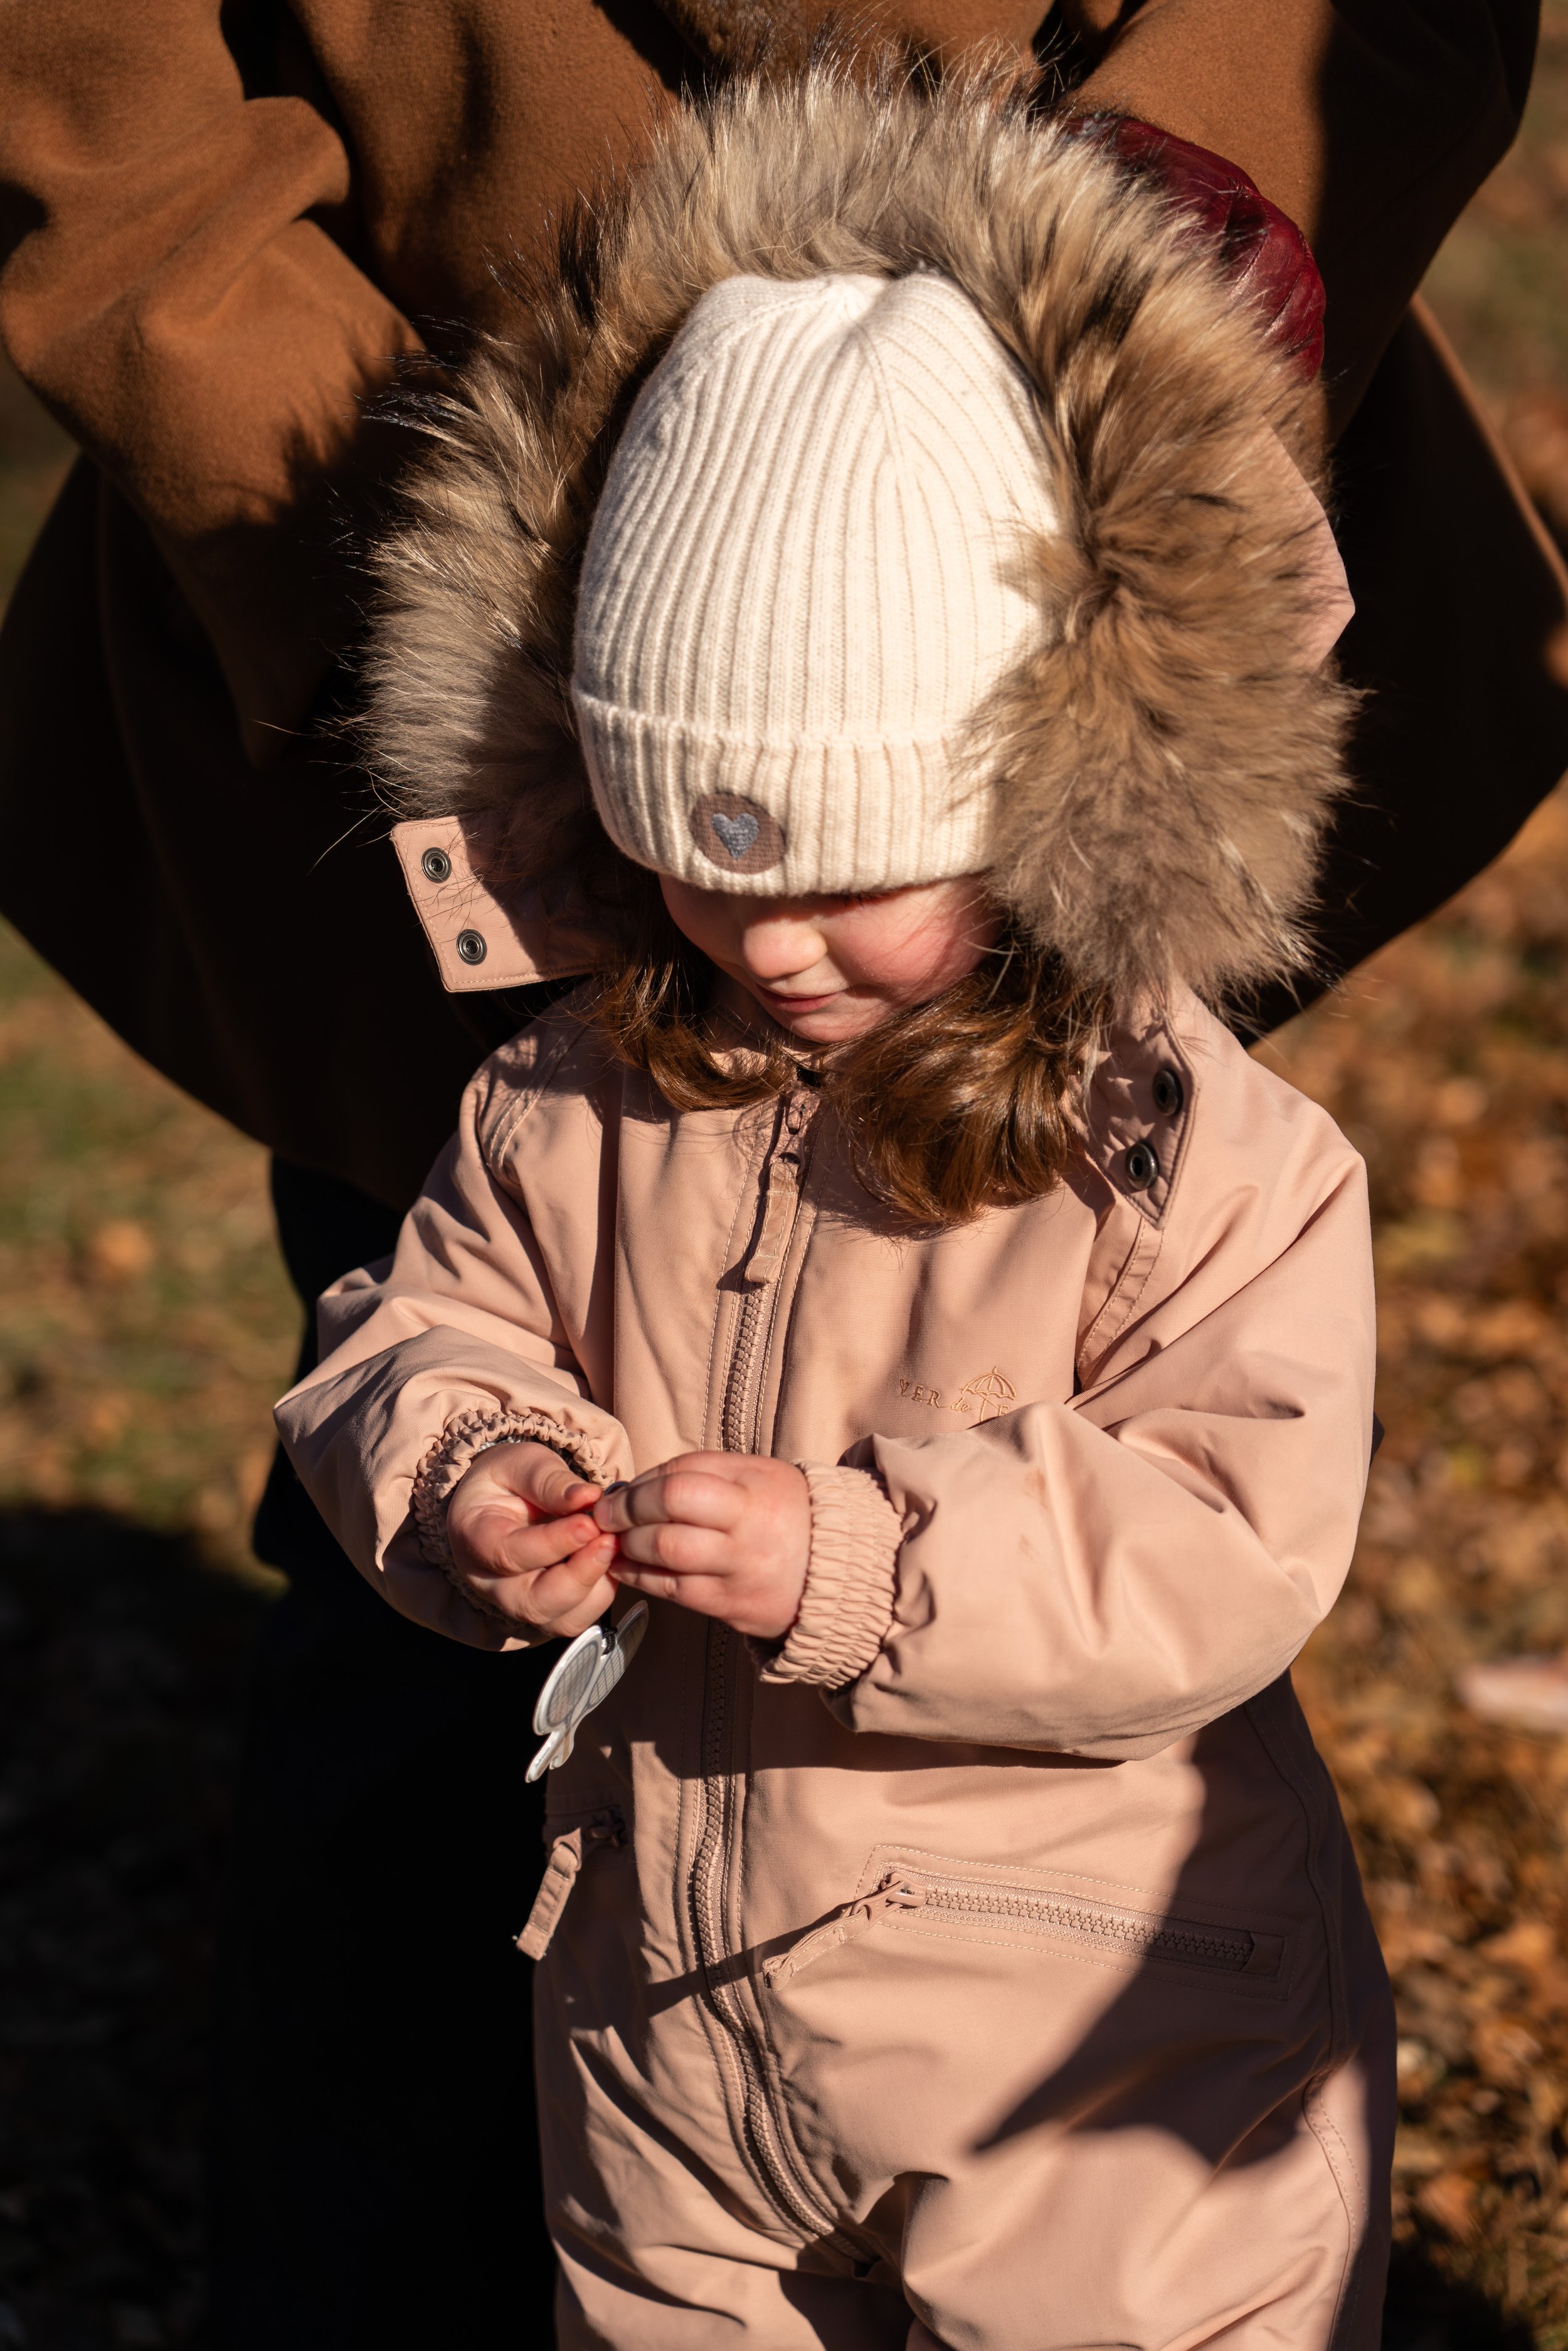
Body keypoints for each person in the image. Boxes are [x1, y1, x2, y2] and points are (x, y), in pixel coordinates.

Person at [0, 4, 1555, 2341]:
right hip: (673, 2064)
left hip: (1078, 2076)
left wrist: (848, 1557)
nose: (777, 949)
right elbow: (418, 1316)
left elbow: (1224, 1529)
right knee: (392, 1788)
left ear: (1041, 807)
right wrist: (461, 1462)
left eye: (852, 882)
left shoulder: (1187, 1157)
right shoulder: (573, 1077)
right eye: (709, 875)